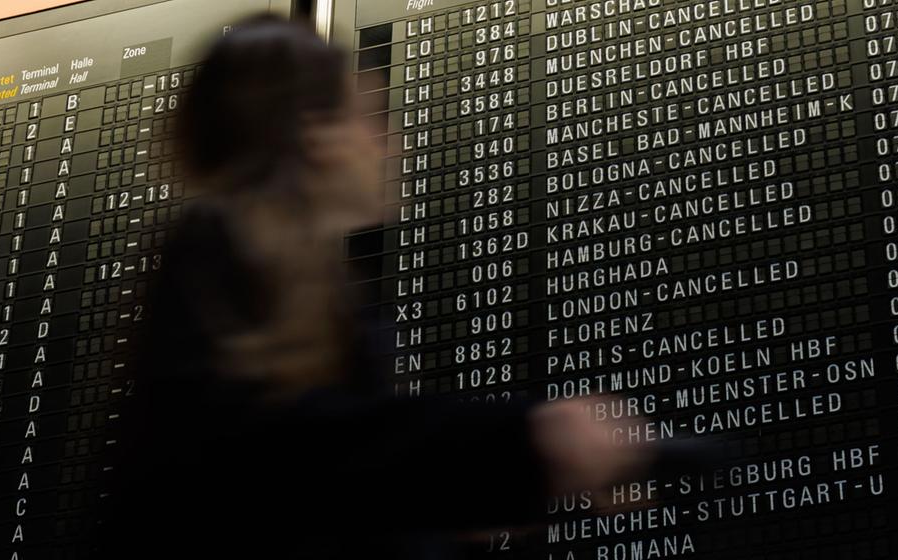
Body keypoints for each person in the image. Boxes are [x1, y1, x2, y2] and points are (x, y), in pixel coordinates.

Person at [99, 15, 657, 560]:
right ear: (315, 134)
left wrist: (451, 498)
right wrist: (524, 442)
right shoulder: (212, 251)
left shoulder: (322, 301)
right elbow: (279, 459)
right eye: (371, 117)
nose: (388, 144)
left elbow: (328, 482)